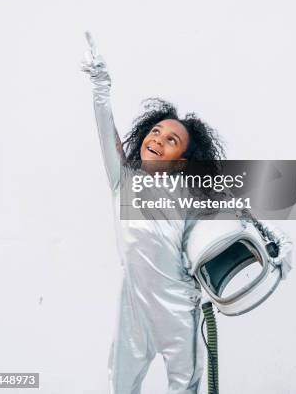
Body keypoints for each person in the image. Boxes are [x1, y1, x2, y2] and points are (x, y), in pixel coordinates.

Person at [81, 32, 225, 394]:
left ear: (183, 162)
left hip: (178, 308)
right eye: (156, 132)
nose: (158, 140)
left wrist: (274, 247)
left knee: (184, 386)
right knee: (121, 383)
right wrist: (101, 84)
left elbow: (232, 233)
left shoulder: (191, 197)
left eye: (171, 140)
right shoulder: (123, 182)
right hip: (133, 305)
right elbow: (104, 128)